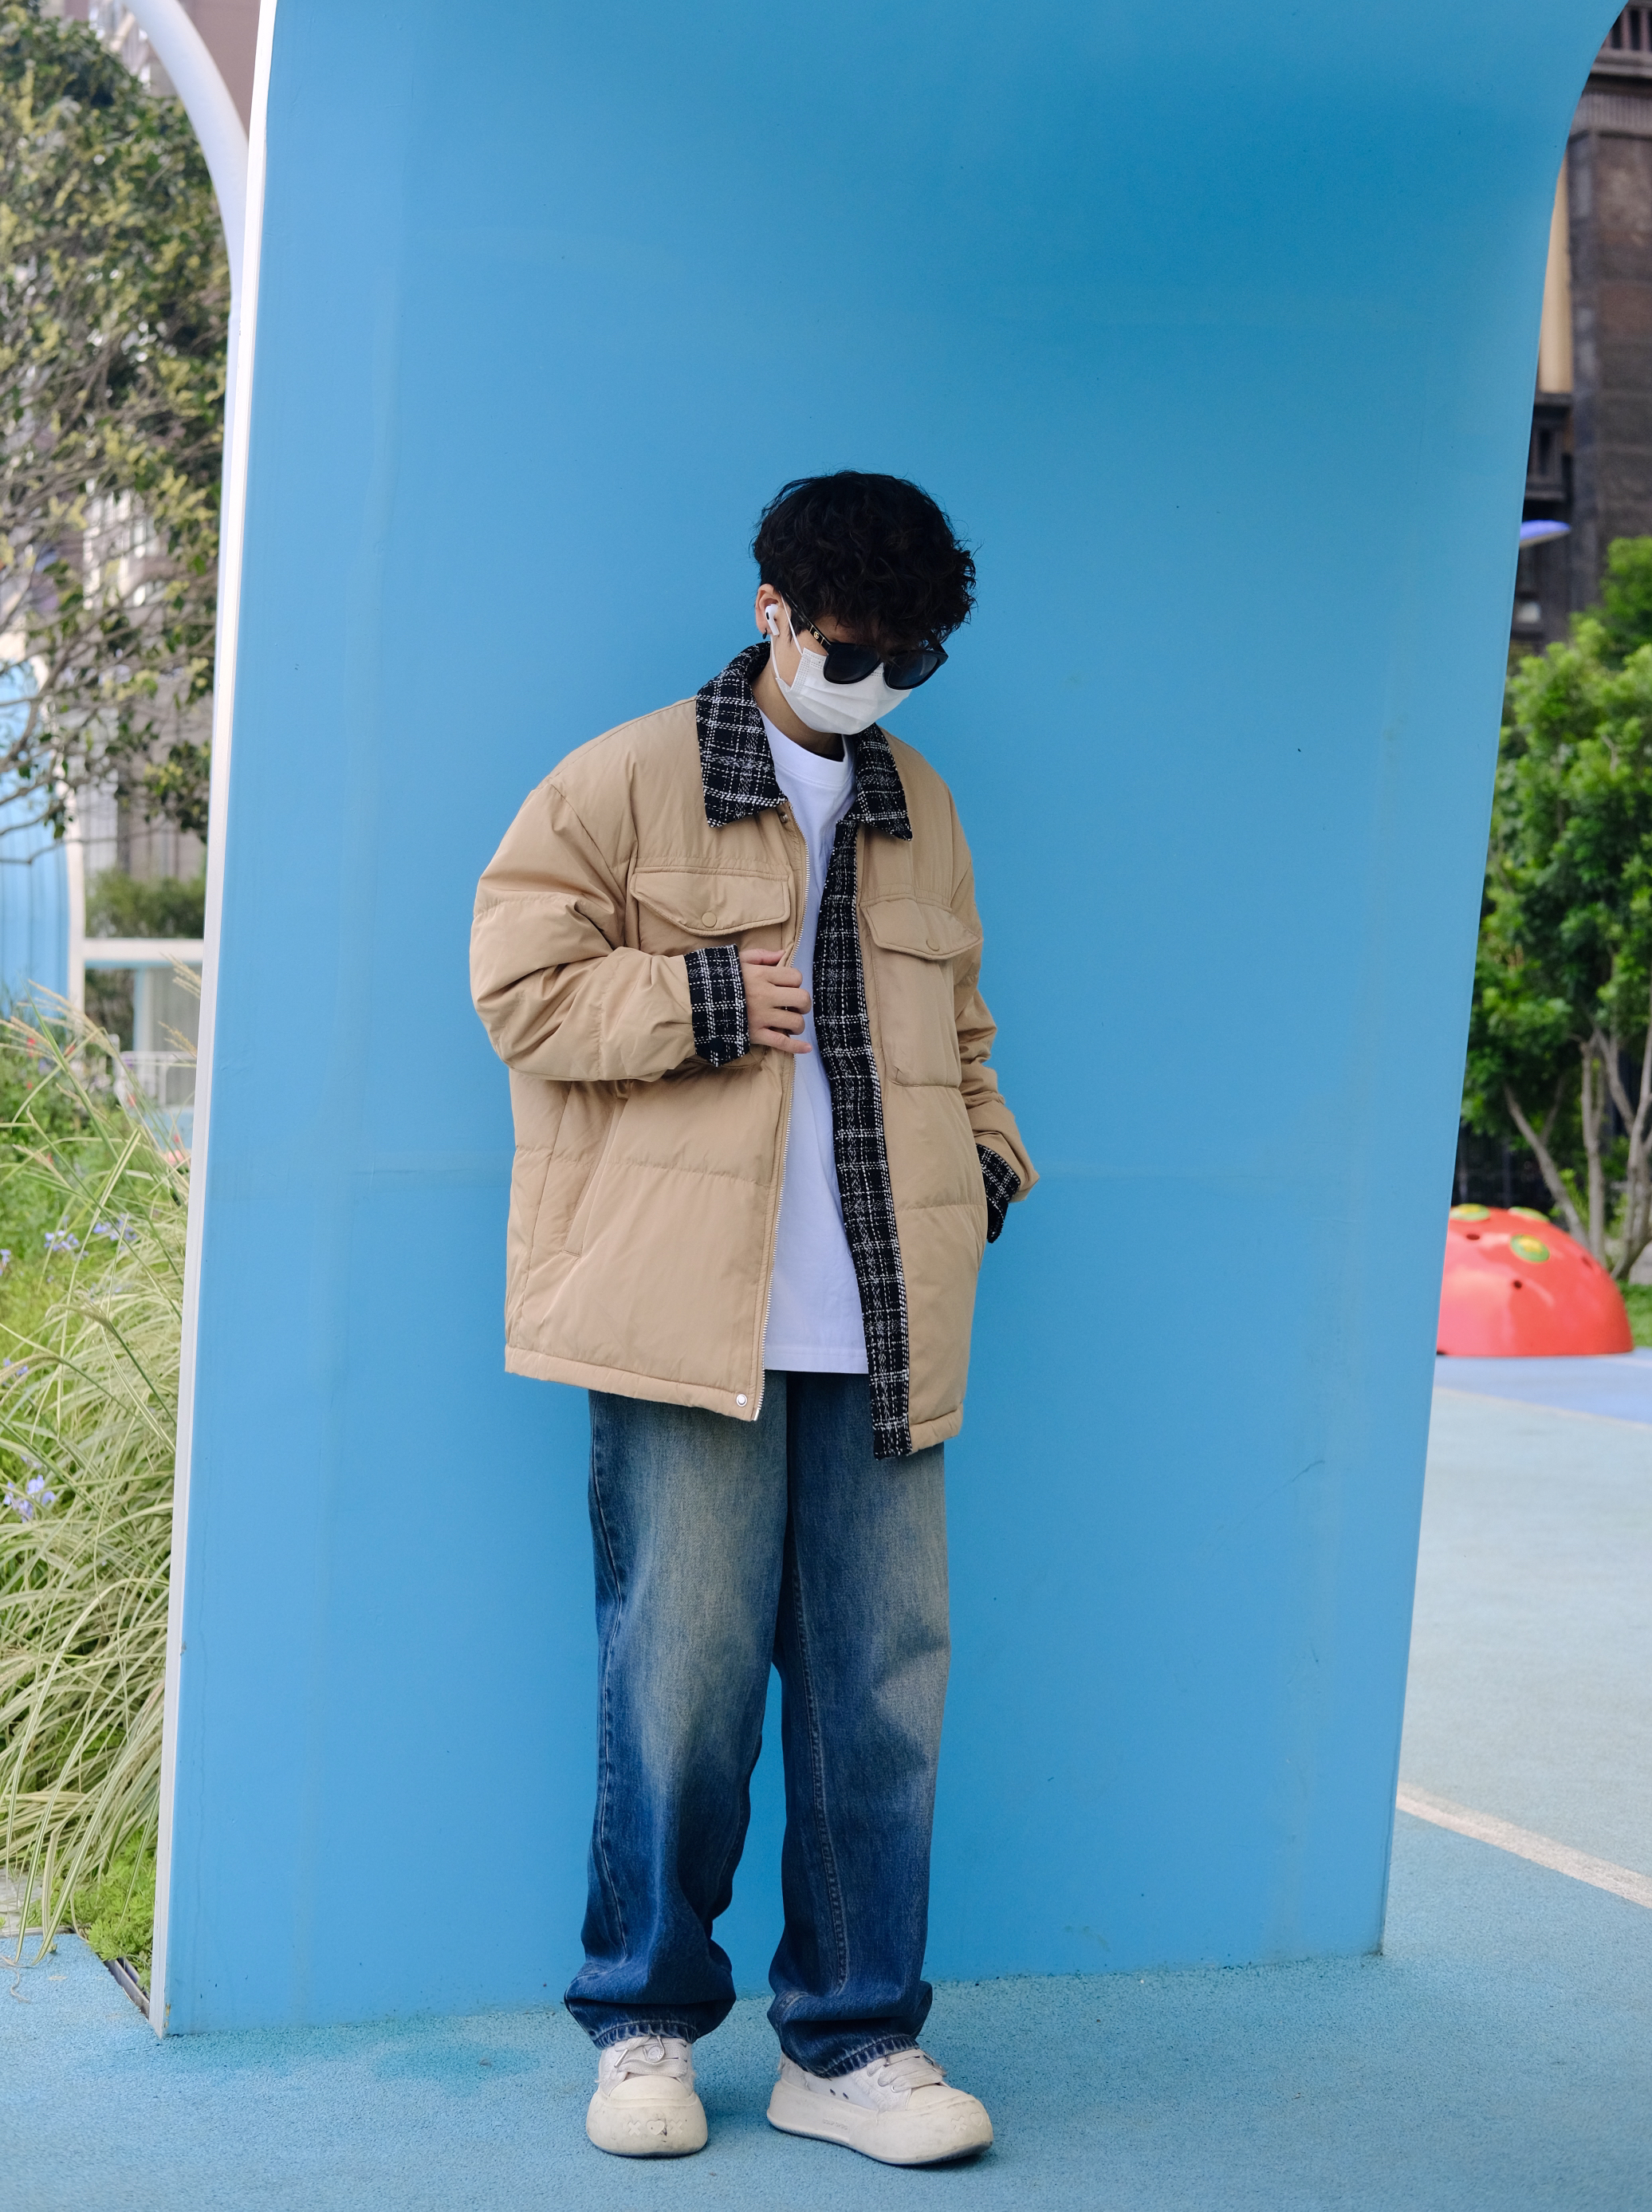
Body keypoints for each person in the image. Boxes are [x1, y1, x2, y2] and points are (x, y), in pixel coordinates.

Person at [470, 471, 1036, 2167]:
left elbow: (966, 1032)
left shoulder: (920, 804)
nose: (878, 687)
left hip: (884, 1320)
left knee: (884, 1694)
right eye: (852, 653)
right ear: (773, 614)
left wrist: (986, 1168)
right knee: (680, 1685)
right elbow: (518, 988)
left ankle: (851, 2043)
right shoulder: (623, 779)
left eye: (912, 663)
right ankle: (642, 2022)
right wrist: (707, 995)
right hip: (678, 1320)